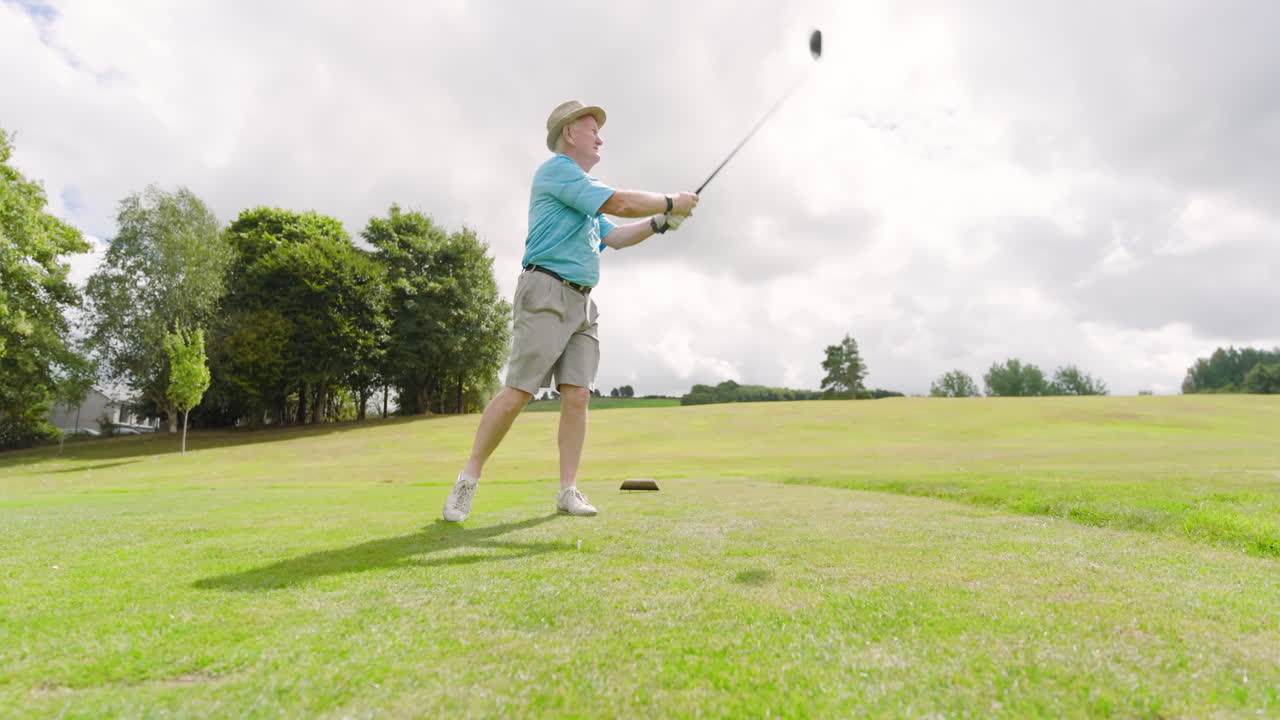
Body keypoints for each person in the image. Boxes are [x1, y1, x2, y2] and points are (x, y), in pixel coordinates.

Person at [442, 100, 699, 521]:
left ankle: (567, 490)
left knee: (577, 395)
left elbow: (614, 237)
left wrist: (659, 223)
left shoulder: (584, 193)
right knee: (518, 392)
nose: (600, 137)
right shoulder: (558, 172)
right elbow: (621, 204)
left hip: (582, 301)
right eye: (592, 128)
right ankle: (467, 480)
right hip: (545, 290)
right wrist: (670, 202)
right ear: (568, 134)